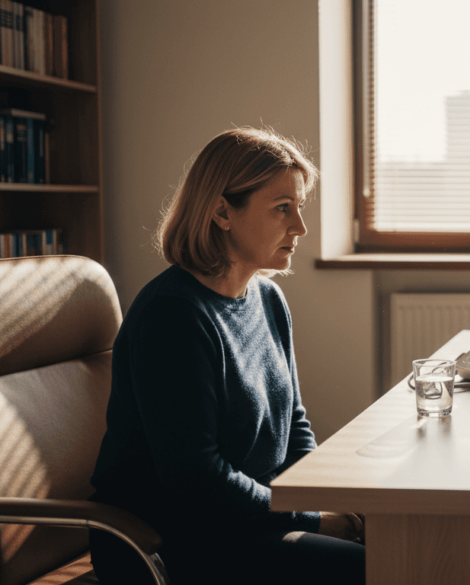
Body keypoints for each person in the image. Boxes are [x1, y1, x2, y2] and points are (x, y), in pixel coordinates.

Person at [89, 127, 365, 584]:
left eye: (298, 207)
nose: (299, 227)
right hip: (171, 543)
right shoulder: (172, 317)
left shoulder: (269, 299)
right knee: (383, 566)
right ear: (221, 212)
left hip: (245, 521)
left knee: (397, 538)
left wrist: (318, 499)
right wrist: (314, 521)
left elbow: (293, 424)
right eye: (282, 209)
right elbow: (198, 481)